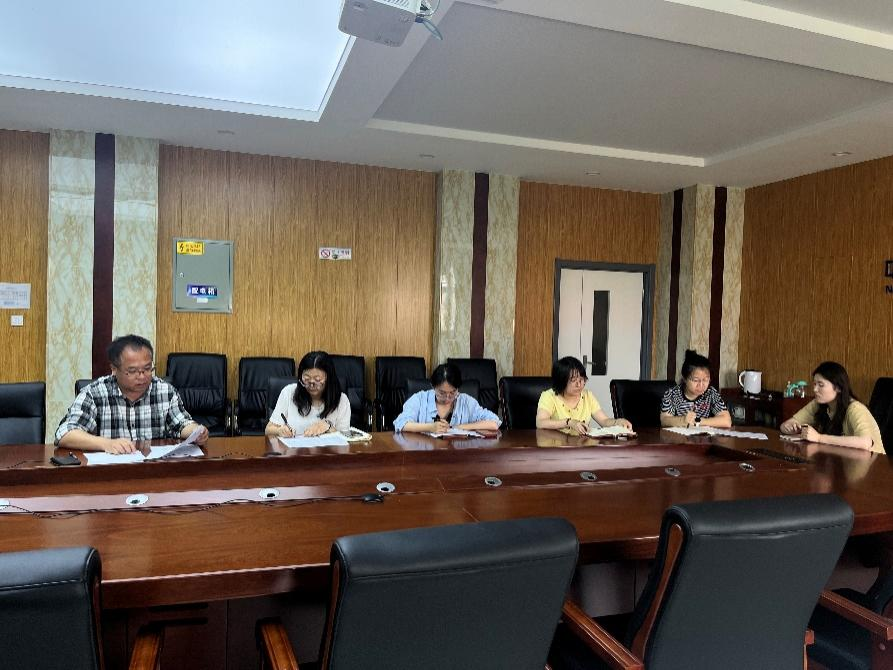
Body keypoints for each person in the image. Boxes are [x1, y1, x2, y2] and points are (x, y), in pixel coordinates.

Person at [55, 334, 209, 454]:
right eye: (133, 371)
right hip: (109, 472)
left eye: (147, 369)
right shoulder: (94, 393)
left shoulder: (165, 391)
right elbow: (64, 434)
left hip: (154, 470)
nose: (142, 376)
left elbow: (181, 423)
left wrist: (196, 432)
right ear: (114, 369)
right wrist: (106, 443)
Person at [780, 361, 884, 453]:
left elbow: (866, 442)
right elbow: (786, 425)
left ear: (838, 387)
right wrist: (789, 427)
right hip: (842, 460)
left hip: (873, 464)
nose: (815, 389)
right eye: (814, 384)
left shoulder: (855, 408)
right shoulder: (818, 403)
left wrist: (819, 438)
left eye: (821, 385)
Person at [536, 356, 633, 434]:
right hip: (556, 446)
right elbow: (540, 422)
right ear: (561, 381)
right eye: (573, 380)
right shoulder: (549, 396)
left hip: (582, 446)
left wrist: (617, 422)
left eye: (582, 380)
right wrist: (569, 422)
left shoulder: (587, 396)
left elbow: (604, 421)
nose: (579, 384)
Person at [394, 363, 501, 433]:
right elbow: (401, 424)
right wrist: (430, 427)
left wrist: (461, 427)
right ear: (433, 386)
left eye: (453, 392)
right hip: (424, 455)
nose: (448, 398)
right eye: (442, 393)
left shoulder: (466, 401)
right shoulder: (419, 399)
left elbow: (494, 423)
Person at [265, 351, 351, 438]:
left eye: (317, 380)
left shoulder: (342, 400)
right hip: (295, 446)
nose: (311, 385)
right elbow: (268, 430)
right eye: (306, 379)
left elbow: (346, 438)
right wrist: (279, 430)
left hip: (328, 447)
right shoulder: (289, 392)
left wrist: (329, 427)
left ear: (329, 379)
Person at [660, 350, 732, 428]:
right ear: (685, 379)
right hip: (678, 435)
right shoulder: (672, 394)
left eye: (705, 380)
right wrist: (683, 420)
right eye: (696, 380)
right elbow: (664, 420)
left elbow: (727, 421)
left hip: (703, 434)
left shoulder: (711, 393)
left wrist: (698, 421)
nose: (701, 385)